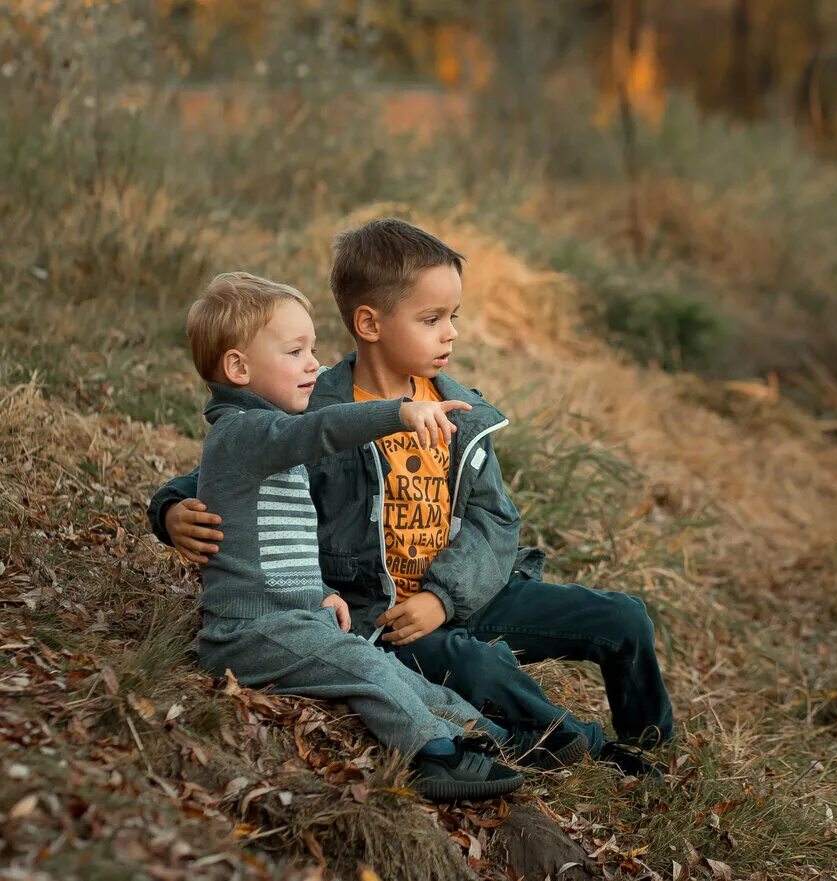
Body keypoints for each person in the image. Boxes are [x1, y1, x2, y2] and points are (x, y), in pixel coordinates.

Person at [149, 221, 673, 775]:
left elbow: (494, 520)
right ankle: (588, 749)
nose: (450, 334)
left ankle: (652, 739)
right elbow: (227, 466)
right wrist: (171, 511)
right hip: (388, 616)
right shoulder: (310, 406)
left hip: (465, 592)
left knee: (623, 619)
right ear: (370, 323)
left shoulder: (460, 412)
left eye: (453, 318)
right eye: (431, 319)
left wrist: (445, 599)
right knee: (480, 668)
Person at [176, 271, 579, 802]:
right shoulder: (244, 433)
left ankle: (490, 739)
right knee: (365, 666)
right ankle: (432, 757)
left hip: (294, 615)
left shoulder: (271, 441)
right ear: (238, 367)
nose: (314, 365)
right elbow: (321, 430)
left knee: (402, 676)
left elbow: (271, 543)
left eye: (313, 349)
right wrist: (398, 413)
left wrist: (318, 593)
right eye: (296, 351)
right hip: (248, 632)